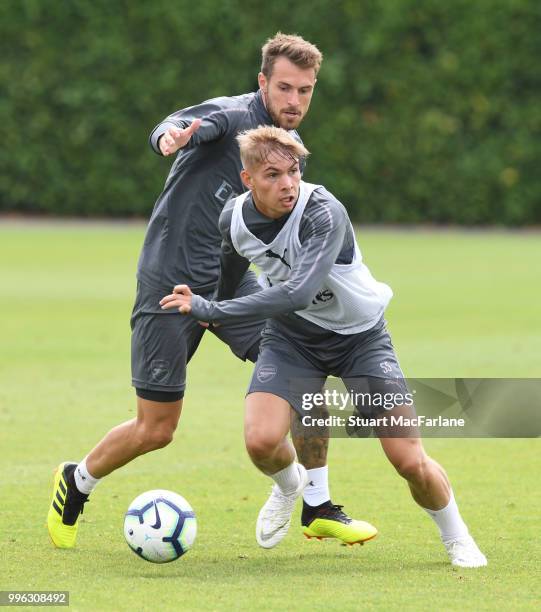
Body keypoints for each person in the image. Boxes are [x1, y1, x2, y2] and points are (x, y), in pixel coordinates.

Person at [47, 33, 373, 550]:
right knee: (156, 429)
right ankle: (77, 480)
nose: (294, 101)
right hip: (168, 284)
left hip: (229, 283)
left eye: (305, 91)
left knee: (303, 366)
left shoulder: (286, 153)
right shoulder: (229, 116)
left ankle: (316, 502)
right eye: (284, 88)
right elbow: (175, 124)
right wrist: (170, 138)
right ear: (262, 82)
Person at [160, 126, 488, 567]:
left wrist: (213, 310)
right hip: (292, 337)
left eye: (293, 171)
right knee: (260, 440)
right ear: (247, 179)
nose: (287, 184)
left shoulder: (324, 212)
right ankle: (290, 485)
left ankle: (457, 536)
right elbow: (231, 274)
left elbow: (297, 291)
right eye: (273, 175)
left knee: (408, 459)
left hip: (361, 338)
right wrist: (214, 303)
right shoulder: (233, 218)